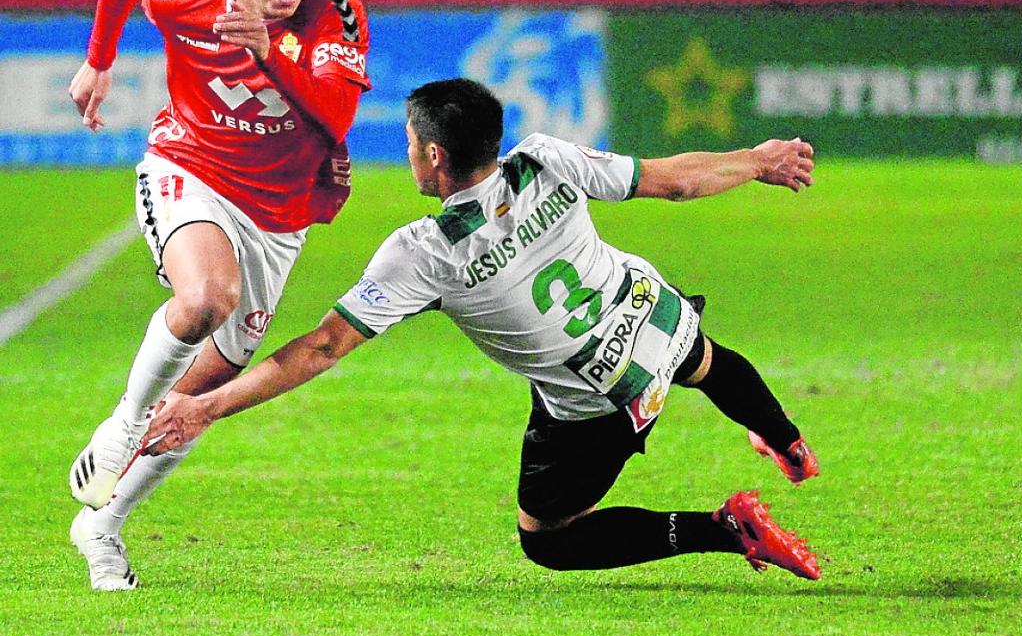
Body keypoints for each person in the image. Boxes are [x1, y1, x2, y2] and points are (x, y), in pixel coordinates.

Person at [144, 78, 822, 581]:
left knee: (549, 540)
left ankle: (726, 529)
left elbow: (323, 346)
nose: (408, 155)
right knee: (706, 362)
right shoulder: (544, 159)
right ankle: (790, 444)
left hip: (596, 398)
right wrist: (758, 160)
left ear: (434, 156)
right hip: (649, 314)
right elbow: (672, 182)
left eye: (411, 145)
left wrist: (207, 406)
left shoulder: (426, 250)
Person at [66, 0, 371, 591]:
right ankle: (124, 419)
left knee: (195, 405)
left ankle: (101, 528)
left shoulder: (337, 12)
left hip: (277, 217)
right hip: (188, 167)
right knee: (207, 299)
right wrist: (99, 60)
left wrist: (269, 50)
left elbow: (336, 117)